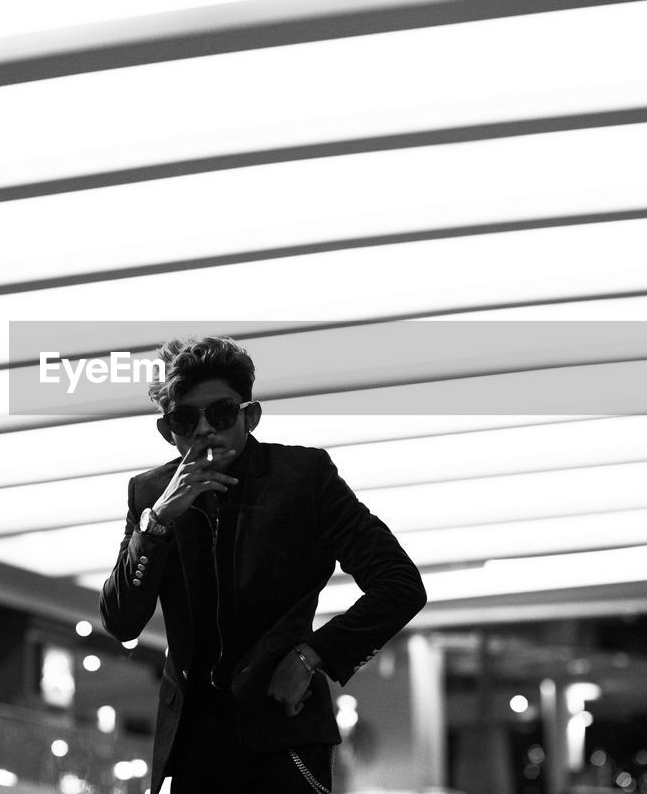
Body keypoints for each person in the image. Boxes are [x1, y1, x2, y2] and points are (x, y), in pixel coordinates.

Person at [100, 336, 426, 793]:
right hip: (194, 748)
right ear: (165, 429)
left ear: (249, 416)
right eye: (185, 418)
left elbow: (400, 584)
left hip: (282, 733)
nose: (204, 430)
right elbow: (121, 621)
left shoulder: (304, 478)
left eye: (221, 413)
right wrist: (156, 524)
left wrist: (311, 656)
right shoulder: (150, 495)